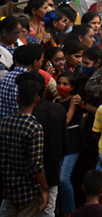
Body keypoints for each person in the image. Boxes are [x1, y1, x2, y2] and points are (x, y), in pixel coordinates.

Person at [0, 74, 48, 217]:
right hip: (28, 191)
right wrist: (45, 188)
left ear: (18, 99)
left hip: (10, 188)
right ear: (37, 100)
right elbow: (36, 164)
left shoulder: (4, 123)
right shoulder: (34, 127)